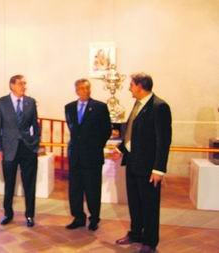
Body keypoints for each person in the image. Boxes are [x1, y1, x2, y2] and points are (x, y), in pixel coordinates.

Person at [113, 73, 172, 253]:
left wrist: (159, 169)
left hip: (148, 167)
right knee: (135, 202)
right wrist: (121, 149)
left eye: (131, 84)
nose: (129, 88)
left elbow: (164, 140)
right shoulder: (138, 104)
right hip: (132, 162)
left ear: (140, 86)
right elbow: (133, 133)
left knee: (149, 205)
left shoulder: (159, 107)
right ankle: (136, 233)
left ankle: (150, 241)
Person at [0, 74, 40, 227]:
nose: (24, 86)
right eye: (21, 84)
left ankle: (30, 215)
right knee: (9, 184)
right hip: (8, 149)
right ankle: (8, 213)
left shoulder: (30, 102)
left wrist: (35, 144)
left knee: (29, 184)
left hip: (28, 148)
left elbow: (35, 125)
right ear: (12, 85)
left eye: (25, 84)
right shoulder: (1, 103)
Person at [64, 79, 111, 231]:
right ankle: (78, 217)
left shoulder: (100, 107)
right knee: (75, 189)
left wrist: (96, 146)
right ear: (76, 90)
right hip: (75, 156)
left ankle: (94, 218)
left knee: (92, 189)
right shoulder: (69, 107)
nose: (86, 91)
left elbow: (106, 130)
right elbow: (73, 129)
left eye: (88, 88)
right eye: (82, 88)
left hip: (92, 156)